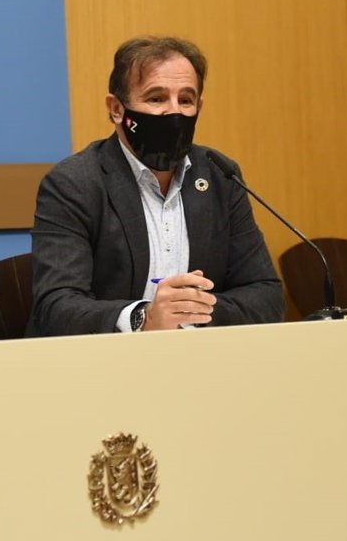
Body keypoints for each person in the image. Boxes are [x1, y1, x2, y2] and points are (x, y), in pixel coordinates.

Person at [27, 35, 284, 337]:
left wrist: (192, 312)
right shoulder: (75, 182)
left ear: (199, 107)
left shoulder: (219, 175)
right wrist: (144, 317)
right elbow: (56, 306)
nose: (173, 112)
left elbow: (266, 294)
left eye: (185, 100)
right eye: (156, 98)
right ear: (117, 109)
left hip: (199, 356)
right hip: (106, 359)